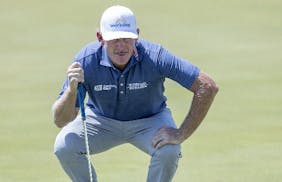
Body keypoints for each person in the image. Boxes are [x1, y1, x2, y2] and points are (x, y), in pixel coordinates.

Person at [52, 5, 218, 182]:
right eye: (114, 39)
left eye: (127, 38)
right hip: (101, 121)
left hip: (150, 119)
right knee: (64, 146)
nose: (121, 45)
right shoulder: (86, 60)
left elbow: (207, 86)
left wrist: (181, 133)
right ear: (100, 37)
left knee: (169, 150)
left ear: (137, 35)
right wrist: (71, 91)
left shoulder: (155, 56)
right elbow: (61, 120)